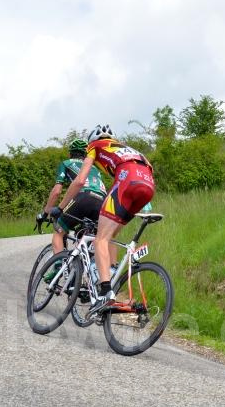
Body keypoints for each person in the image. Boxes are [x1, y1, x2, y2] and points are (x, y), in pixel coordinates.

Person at [50, 125, 155, 314]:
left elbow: (80, 180)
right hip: (147, 185)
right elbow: (148, 169)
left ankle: (106, 292)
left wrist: (60, 207)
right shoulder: (129, 149)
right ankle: (112, 271)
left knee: (101, 238)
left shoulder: (95, 146)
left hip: (126, 179)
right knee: (111, 233)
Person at [38, 138, 107, 256]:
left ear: (70, 153)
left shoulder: (67, 163)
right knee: (85, 237)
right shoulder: (94, 168)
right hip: (102, 201)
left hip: (84, 197)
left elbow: (56, 191)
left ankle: (60, 268)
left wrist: (45, 213)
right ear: (86, 155)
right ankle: (84, 267)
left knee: (59, 232)